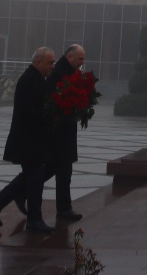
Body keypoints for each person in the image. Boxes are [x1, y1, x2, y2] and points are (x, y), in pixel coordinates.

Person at [0, 46, 57, 233]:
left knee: (31, 177)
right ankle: (33, 219)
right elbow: (28, 111)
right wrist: (50, 115)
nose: (53, 66)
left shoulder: (37, 79)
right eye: (50, 62)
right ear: (38, 62)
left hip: (32, 140)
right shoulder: (29, 80)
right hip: (27, 140)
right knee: (34, 178)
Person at [43, 43, 87, 223]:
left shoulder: (68, 72)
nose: (82, 62)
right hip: (59, 132)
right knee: (62, 170)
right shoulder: (60, 73)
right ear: (70, 57)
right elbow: (55, 102)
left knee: (54, 169)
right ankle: (64, 208)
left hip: (65, 130)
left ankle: (18, 192)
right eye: (80, 59)